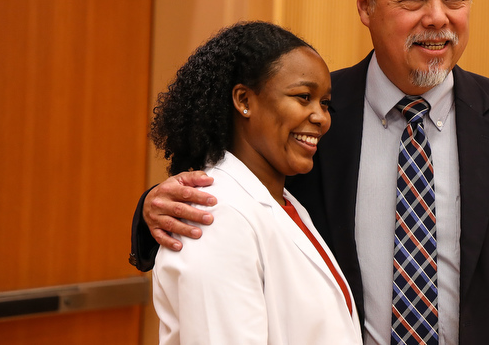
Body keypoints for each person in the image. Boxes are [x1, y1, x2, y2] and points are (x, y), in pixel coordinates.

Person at [132, 0, 489, 344]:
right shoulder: (309, 120)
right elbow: (226, 203)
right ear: (366, 5)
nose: (438, 18)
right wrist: (150, 208)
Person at [146, 21, 362, 344]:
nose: (321, 118)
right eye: (304, 97)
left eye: (325, 103)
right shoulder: (214, 216)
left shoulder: (285, 203)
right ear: (244, 100)